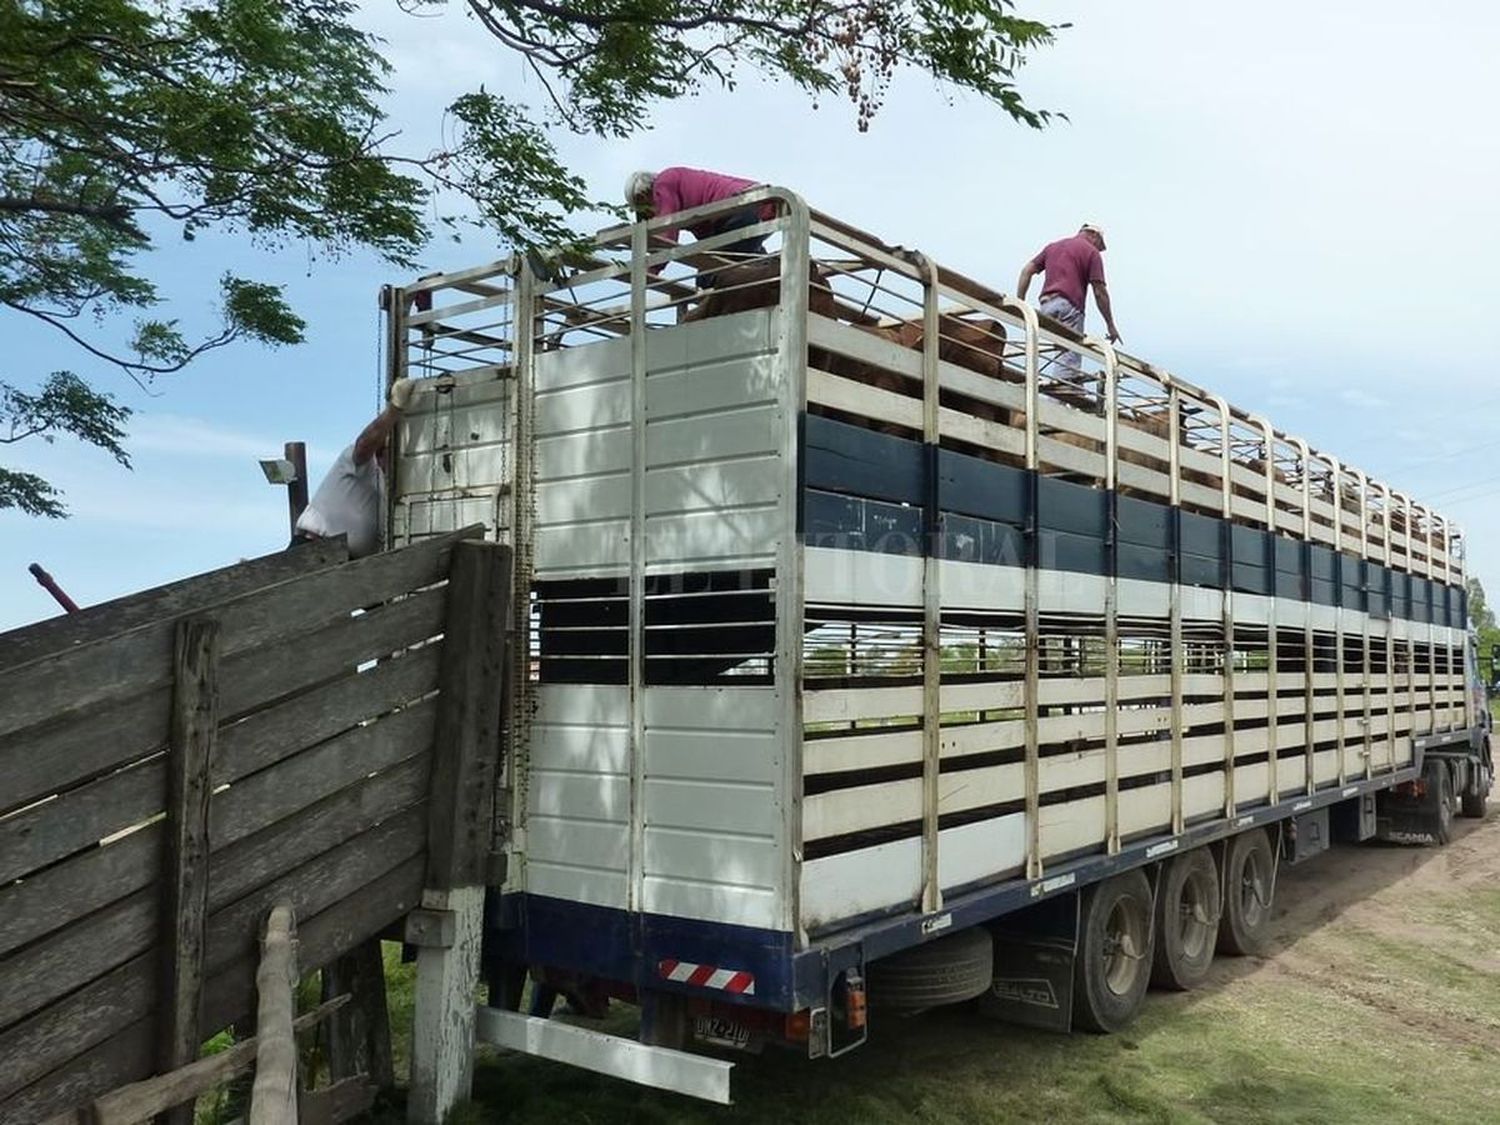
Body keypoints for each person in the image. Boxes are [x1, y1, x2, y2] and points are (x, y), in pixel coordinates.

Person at [290, 377, 414, 558]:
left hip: (348, 564)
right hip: (315, 550)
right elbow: (364, 444)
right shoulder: (360, 462)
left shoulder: (390, 490)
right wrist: (394, 410)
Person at [624, 167, 774, 285]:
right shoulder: (684, 193)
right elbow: (710, 243)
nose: (652, 217)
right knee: (743, 263)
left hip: (743, 208)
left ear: (642, 197)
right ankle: (770, 268)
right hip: (758, 206)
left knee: (707, 277)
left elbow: (667, 229)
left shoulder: (664, 183)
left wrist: (651, 269)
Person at [1016, 224, 1122, 381]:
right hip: (1069, 306)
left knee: (1060, 352)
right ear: (1094, 235)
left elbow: (1026, 271)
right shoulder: (1091, 252)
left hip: (1046, 307)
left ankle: (1070, 389)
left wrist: (1020, 304)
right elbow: (1099, 292)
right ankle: (1060, 398)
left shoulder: (1052, 247)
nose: (1099, 249)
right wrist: (1110, 325)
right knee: (1068, 358)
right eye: (1100, 245)